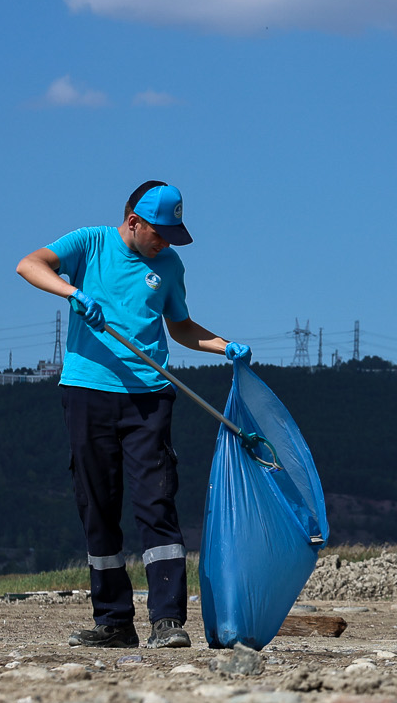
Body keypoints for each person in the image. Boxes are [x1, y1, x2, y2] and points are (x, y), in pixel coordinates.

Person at [15, 181, 249, 648]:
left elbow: (181, 327)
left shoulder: (169, 266)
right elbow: (29, 265)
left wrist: (224, 346)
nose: (164, 243)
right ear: (134, 222)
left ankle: (168, 621)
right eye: (159, 233)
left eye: (171, 236)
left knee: (156, 502)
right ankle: (114, 622)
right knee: (98, 505)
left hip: (149, 397)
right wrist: (72, 293)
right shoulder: (90, 242)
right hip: (87, 392)